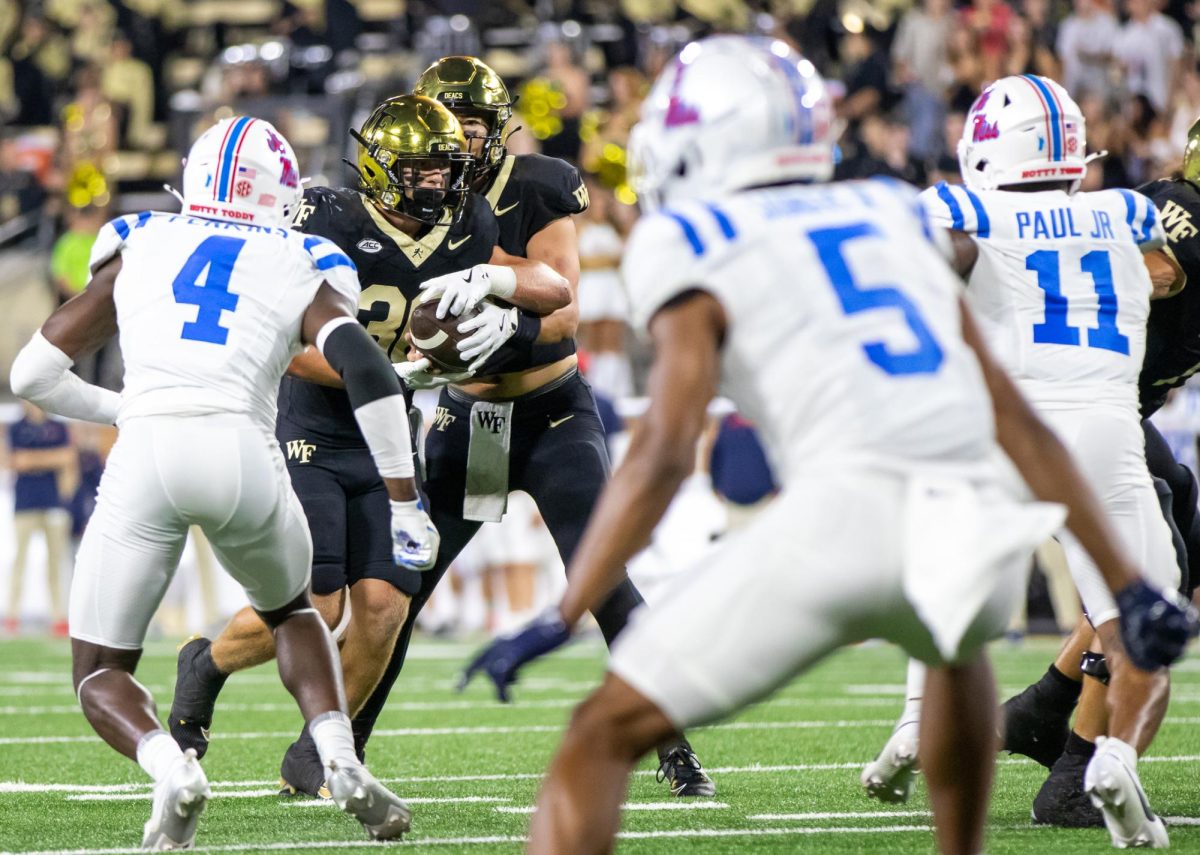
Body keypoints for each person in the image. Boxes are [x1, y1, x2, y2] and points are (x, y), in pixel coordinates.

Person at [457, 38, 1197, 855]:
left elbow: (665, 452)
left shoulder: (691, 238)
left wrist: (567, 611)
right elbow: (1013, 417)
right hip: (965, 521)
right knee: (953, 647)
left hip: (839, 520)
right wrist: (1129, 580)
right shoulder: (885, 206)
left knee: (600, 733)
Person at [9, 116, 435, 847]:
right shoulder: (304, 255)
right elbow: (366, 369)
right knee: (297, 613)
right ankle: (338, 755)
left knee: (99, 671)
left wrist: (126, 410)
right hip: (243, 449)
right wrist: (404, 499)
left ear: (194, 178)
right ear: (283, 194)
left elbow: (32, 374)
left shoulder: (141, 236)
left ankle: (169, 764)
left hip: (146, 453)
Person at [168, 95, 571, 797]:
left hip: (389, 438)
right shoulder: (323, 219)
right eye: (419, 169)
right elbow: (284, 344)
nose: (436, 183)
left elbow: (553, 287)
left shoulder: (469, 222)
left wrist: (496, 283)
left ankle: (319, 752)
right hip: (312, 432)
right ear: (383, 169)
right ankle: (205, 662)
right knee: (318, 606)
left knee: (386, 604)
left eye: (445, 169)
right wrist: (386, 373)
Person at [342, 55, 715, 799]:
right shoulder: (419, 193)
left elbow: (566, 309)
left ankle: (674, 744)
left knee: (600, 576)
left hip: (548, 410)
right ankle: (340, 746)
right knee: (400, 588)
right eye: (448, 127)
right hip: (464, 411)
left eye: (473, 125)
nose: (459, 141)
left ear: (494, 126)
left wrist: (505, 324)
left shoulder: (538, 184)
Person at [866, 74, 1189, 848]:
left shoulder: (957, 207)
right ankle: (1113, 759)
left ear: (984, 148)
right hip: (1107, 430)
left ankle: (913, 727)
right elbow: (1163, 271)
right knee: (1145, 624)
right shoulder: (1128, 210)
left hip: (1005, 432)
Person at [998, 112, 1200, 829]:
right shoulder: (1184, 210)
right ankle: (1076, 765)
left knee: (1180, 507)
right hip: (1071, 406)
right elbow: (1160, 270)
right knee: (1152, 576)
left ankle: (1044, 706)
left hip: (1099, 412)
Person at [5, 400, 75, 636]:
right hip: (25, 504)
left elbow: (68, 458)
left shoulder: (59, 427)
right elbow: (15, 461)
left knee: (56, 562)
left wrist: (33, 459)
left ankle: (58, 617)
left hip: (54, 503)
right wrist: (51, 458)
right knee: (19, 560)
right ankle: (12, 614)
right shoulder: (16, 428)